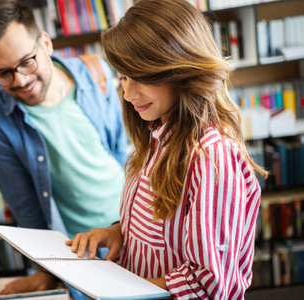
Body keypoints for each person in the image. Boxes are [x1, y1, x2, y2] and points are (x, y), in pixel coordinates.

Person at [67, 0, 268, 299]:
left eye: (143, 77)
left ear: (183, 69)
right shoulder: (156, 134)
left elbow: (207, 286)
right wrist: (119, 231)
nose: (127, 92)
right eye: (123, 76)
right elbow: (167, 227)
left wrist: (115, 289)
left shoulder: (212, 157)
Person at [0, 0, 127, 295]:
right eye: (3, 73)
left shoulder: (96, 73)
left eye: (27, 61)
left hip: (135, 231)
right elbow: (29, 212)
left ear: (45, 43)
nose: (21, 80)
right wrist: (48, 272)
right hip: (83, 257)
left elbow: (123, 155)